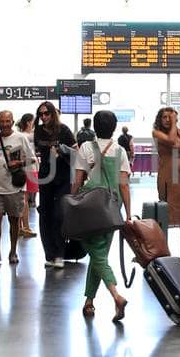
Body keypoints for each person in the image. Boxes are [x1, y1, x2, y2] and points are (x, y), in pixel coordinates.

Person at [71, 110, 132, 322]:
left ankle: (117, 296)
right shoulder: (120, 150)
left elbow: (78, 179)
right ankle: (89, 301)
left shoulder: (86, 147)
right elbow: (124, 185)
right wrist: (128, 213)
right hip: (112, 208)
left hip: (90, 207)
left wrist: (72, 200)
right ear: (114, 127)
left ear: (95, 127)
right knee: (99, 255)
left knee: (96, 255)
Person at [0, 109, 35, 265]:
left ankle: (13, 251)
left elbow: (32, 160)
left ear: (12, 122)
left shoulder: (20, 138)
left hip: (15, 188)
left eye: (7, 121)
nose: (4, 124)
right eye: (2, 121)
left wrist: (18, 163)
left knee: (13, 220)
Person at [34, 99, 77, 268]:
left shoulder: (64, 130)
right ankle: (50, 254)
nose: (44, 117)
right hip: (45, 177)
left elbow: (76, 152)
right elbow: (38, 151)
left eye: (47, 113)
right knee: (45, 214)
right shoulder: (38, 131)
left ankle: (60, 253)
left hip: (63, 177)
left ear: (53, 114)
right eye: (41, 114)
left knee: (59, 214)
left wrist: (61, 151)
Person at [152, 106, 180, 242]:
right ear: (159, 119)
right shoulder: (156, 132)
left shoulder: (179, 132)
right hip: (167, 178)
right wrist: (174, 123)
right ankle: (163, 243)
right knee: (165, 210)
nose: (168, 120)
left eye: (171, 117)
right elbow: (172, 141)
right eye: (165, 117)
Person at [16, 113, 38, 240]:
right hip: (28, 169)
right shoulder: (27, 136)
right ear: (29, 122)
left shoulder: (22, 136)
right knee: (24, 200)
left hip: (25, 169)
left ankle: (21, 227)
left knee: (23, 199)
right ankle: (25, 227)